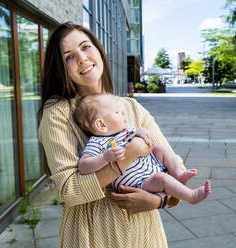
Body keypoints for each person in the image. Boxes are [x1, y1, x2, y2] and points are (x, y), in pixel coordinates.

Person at [38, 22, 187, 247]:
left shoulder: (132, 107)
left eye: (85, 47)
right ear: (60, 68)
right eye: (68, 56)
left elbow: (175, 166)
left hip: (146, 234)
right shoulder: (58, 112)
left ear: (99, 50)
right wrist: (129, 155)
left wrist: (157, 201)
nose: (81, 58)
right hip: (93, 233)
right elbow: (69, 190)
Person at [73, 93, 211, 204]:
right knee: (162, 179)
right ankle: (191, 196)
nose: (123, 112)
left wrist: (141, 132)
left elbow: (144, 136)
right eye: (117, 112)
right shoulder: (98, 142)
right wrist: (104, 158)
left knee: (161, 149)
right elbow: (84, 166)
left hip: (152, 166)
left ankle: (178, 175)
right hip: (140, 183)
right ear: (101, 125)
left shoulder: (126, 131)